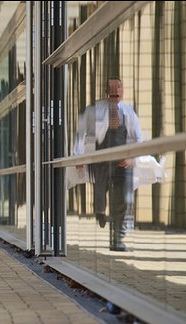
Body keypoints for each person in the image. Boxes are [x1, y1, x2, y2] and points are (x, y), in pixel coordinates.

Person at [73, 76, 143, 251]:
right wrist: (78, 156)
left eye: (118, 87)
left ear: (122, 90)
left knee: (124, 200)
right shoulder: (94, 110)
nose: (115, 91)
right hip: (102, 159)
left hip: (122, 161)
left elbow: (138, 139)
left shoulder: (128, 112)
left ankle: (117, 240)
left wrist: (132, 158)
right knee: (100, 191)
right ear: (106, 91)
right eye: (111, 87)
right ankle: (100, 211)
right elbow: (80, 132)